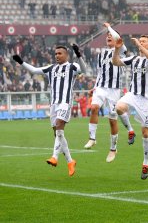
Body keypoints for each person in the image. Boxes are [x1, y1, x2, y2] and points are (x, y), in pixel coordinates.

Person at [12, 44, 87, 176]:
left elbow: (84, 70)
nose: (57, 56)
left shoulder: (72, 67)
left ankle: (55, 157)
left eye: (60, 53)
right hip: (53, 104)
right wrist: (21, 62)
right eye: (56, 54)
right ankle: (70, 161)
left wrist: (78, 54)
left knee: (59, 127)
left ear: (66, 55)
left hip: (65, 102)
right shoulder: (51, 68)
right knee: (58, 133)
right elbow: (35, 70)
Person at [84, 23, 136, 164]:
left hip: (113, 90)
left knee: (112, 120)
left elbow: (119, 38)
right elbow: (100, 73)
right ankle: (92, 138)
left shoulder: (121, 50)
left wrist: (109, 28)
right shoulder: (101, 54)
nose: (108, 37)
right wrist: (94, 87)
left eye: (110, 36)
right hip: (101, 87)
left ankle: (113, 149)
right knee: (94, 108)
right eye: (107, 36)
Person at [111, 35, 148, 180]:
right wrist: (117, 49)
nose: (141, 42)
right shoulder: (134, 59)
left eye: (144, 41)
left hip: (145, 100)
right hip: (132, 94)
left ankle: (145, 163)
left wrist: (139, 45)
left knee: (145, 133)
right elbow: (115, 62)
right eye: (140, 41)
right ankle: (131, 131)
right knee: (118, 107)